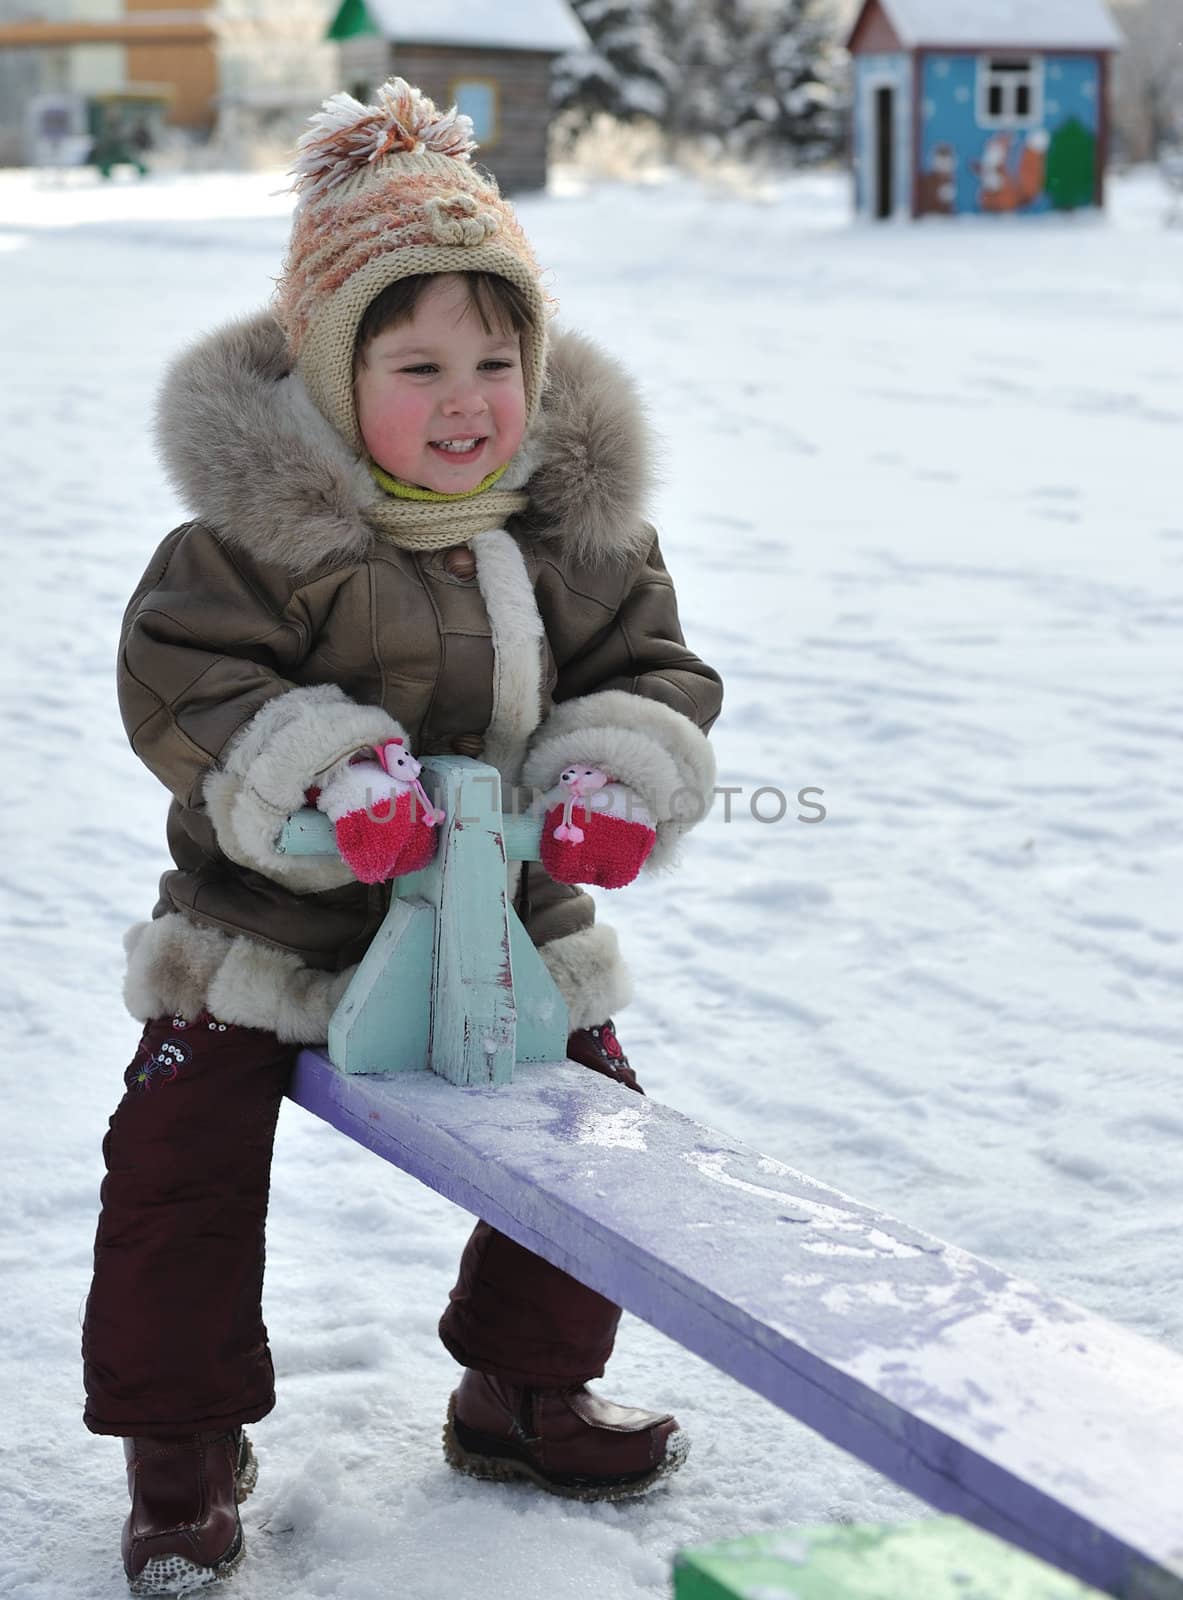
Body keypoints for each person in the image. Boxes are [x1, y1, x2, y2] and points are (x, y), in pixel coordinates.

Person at [82, 79, 722, 1596]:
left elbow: (653, 673)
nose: (465, 401)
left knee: (594, 1143)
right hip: (267, 920)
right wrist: (323, 773)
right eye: (417, 361)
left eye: (497, 361)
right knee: (174, 1148)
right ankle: (179, 1452)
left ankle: (524, 1385)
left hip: (504, 915)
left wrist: (611, 775)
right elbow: (186, 677)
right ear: (326, 372)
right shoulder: (251, 542)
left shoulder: (574, 536)